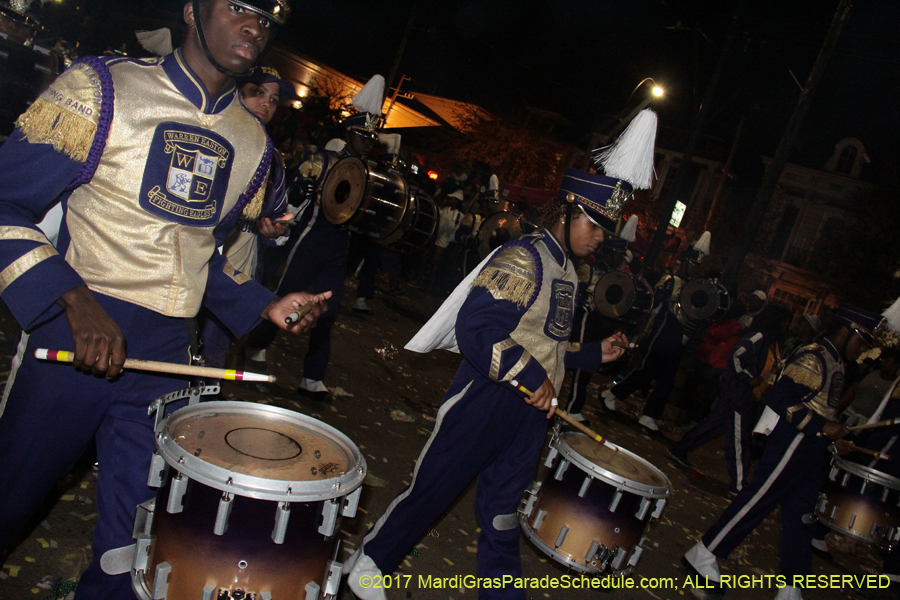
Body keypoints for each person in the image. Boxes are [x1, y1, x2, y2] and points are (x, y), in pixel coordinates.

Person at [0, 2, 330, 598]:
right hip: (73, 335)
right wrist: (72, 299)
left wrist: (264, 305)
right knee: (11, 496)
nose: (255, 25)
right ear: (191, 9)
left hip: (167, 358)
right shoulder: (103, 88)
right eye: (239, 6)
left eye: (267, 17)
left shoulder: (253, 142)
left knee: (139, 537)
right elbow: (5, 204)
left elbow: (195, 256)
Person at [344, 109, 657, 599]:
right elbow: (478, 330)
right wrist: (533, 378)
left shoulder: (569, 273)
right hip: (483, 400)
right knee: (434, 491)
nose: (599, 239)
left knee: (502, 513)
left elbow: (547, 345)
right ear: (569, 211)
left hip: (530, 416)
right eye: (595, 227)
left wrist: (595, 353)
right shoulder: (523, 257)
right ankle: (371, 560)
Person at [683, 304, 881, 600]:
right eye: (862, 340)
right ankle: (703, 552)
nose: (864, 349)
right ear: (847, 330)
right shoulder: (813, 356)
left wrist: (833, 436)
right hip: (791, 443)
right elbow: (779, 398)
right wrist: (821, 426)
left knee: (802, 519)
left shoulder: (836, 361)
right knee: (757, 501)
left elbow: (821, 410)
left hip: (810, 449)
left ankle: (791, 589)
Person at [245, 74, 386, 399]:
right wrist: (297, 193)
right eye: (363, 136)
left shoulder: (369, 174)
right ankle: (255, 349)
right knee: (284, 297)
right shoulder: (321, 160)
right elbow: (290, 200)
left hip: (338, 247)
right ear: (350, 134)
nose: (368, 142)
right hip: (308, 240)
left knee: (327, 311)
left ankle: (312, 378)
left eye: (371, 138)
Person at [198, 64, 296, 368]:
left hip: (235, 266)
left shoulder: (271, 157)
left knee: (213, 354)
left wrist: (275, 230)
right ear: (237, 92)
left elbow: (281, 219)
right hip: (186, 258)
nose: (266, 103)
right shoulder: (204, 131)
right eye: (258, 93)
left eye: (273, 99)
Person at [668, 303, 793, 493]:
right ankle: (739, 484)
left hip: (740, 393)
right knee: (739, 440)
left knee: (713, 426)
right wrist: (749, 377)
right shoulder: (758, 337)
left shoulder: (769, 342)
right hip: (738, 393)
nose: (787, 327)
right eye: (786, 323)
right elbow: (735, 355)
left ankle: (679, 448)